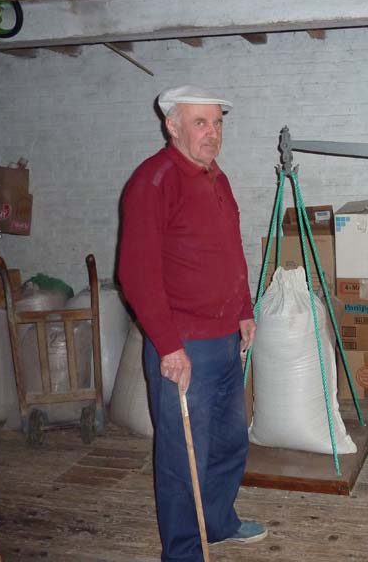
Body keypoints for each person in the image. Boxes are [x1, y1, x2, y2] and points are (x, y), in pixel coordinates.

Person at [118, 85, 267, 560]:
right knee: (182, 456)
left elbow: (230, 251)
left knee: (228, 441)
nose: (212, 133)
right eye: (200, 122)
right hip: (183, 344)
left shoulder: (216, 178)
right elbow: (136, 275)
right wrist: (168, 346)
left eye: (217, 122)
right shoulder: (154, 180)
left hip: (224, 338)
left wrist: (244, 310)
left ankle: (219, 522)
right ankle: (183, 552)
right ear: (172, 125)